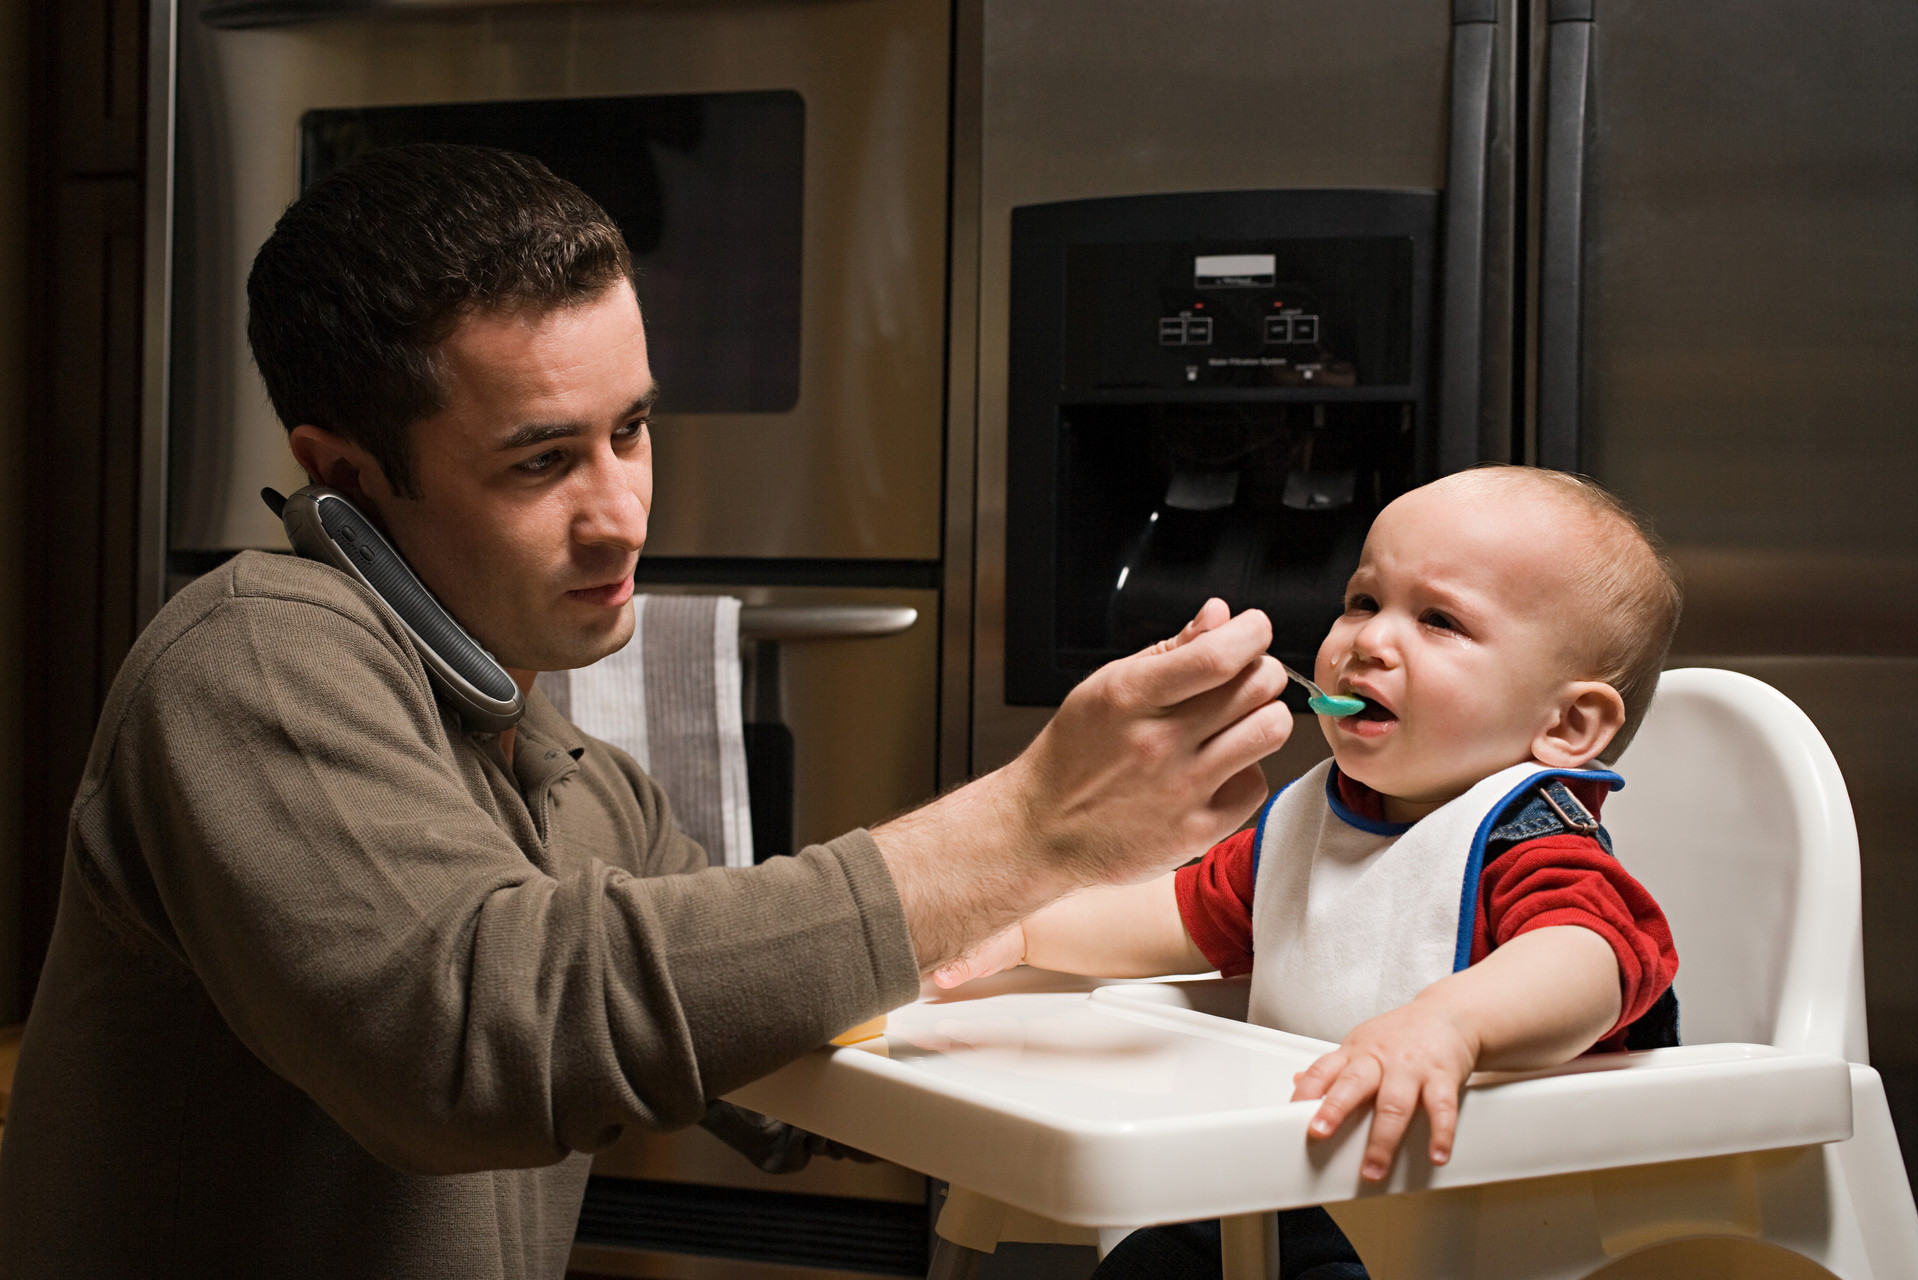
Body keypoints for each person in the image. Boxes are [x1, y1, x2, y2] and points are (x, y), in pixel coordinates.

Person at [0, 145, 1295, 1278]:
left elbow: (791, 1033)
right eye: (542, 460)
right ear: (344, 475)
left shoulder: (576, 779)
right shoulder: (254, 653)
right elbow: (483, 1033)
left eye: (632, 430)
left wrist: (1229, 923)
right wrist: (1028, 823)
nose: (621, 510)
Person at [933, 466, 1684, 1280]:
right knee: (1148, 1267)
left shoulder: (1530, 848)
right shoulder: (1308, 824)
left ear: (1568, 724)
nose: (1369, 640)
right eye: (1363, 601)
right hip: (1286, 1191)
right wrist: (1020, 926)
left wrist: (1451, 1025)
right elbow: (1175, 916)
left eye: (1438, 621)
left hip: (1480, 1220)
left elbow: (1589, 958)